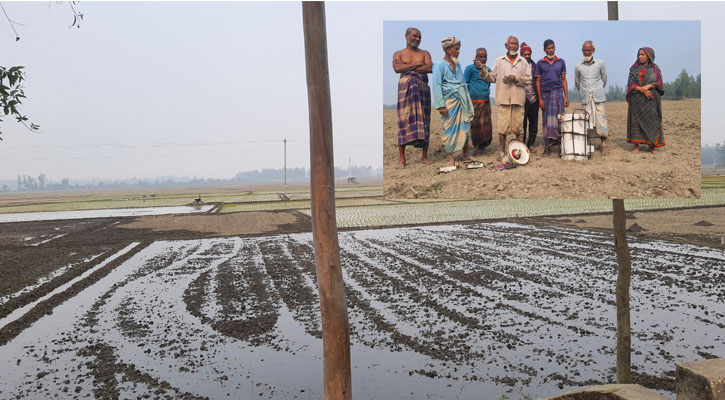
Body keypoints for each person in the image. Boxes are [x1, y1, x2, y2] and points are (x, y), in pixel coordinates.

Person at [476, 35, 531, 159]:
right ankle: (502, 151)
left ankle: (519, 152)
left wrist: (516, 78)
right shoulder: (499, 61)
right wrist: (482, 70)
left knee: (519, 128)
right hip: (503, 99)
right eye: (511, 43)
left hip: (518, 99)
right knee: (502, 128)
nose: (513, 46)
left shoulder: (523, 61)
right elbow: (491, 77)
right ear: (506, 46)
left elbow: (528, 79)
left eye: (516, 44)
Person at [392, 27, 434, 168]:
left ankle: (424, 156)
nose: (417, 39)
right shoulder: (398, 53)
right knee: (403, 120)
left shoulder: (425, 53)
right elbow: (397, 69)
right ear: (406, 36)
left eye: (419, 37)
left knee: (425, 120)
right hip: (406, 88)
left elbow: (430, 68)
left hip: (422, 88)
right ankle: (402, 159)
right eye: (415, 36)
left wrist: (407, 67)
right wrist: (417, 64)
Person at [432, 36, 474, 166]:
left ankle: (465, 154)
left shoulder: (457, 64)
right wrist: (441, 106)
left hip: (461, 100)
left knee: (465, 126)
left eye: (459, 49)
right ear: (448, 49)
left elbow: (461, 81)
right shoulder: (439, 65)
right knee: (449, 128)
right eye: (456, 49)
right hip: (449, 101)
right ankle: (450, 156)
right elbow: (436, 85)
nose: (458, 52)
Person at [626, 47, 665, 154]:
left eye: (643, 55)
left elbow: (659, 83)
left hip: (651, 100)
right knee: (635, 122)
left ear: (649, 56)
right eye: (639, 54)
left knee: (653, 121)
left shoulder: (655, 69)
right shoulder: (634, 68)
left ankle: (651, 147)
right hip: (637, 99)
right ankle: (636, 147)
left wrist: (648, 86)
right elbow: (631, 83)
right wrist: (643, 90)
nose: (640, 56)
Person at [575, 40, 609, 155]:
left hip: (598, 97)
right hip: (586, 98)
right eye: (585, 50)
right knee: (586, 121)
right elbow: (577, 82)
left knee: (601, 121)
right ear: (582, 51)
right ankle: (586, 144)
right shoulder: (578, 66)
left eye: (589, 50)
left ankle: (604, 144)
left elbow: (604, 79)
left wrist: (597, 89)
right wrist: (585, 91)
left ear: (593, 51)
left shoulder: (600, 63)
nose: (587, 52)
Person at [536, 39, 569, 156]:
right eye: (548, 48)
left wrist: (566, 97)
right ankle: (548, 147)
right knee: (546, 120)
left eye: (552, 48)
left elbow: (564, 80)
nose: (550, 50)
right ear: (544, 50)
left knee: (559, 119)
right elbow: (538, 81)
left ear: (555, 48)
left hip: (558, 93)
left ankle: (561, 147)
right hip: (546, 95)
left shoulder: (561, 62)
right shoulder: (540, 63)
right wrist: (540, 99)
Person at [464, 48, 493, 154]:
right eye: (481, 56)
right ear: (476, 57)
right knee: (475, 125)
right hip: (474, 101)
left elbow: (489, 82)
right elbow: (464, 83)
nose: (483, 59)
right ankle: (475, 146)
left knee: (485, 125)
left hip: (485, 101)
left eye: (485, 56)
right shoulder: (470, 69)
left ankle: (483, 146)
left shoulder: (488, 70)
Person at [520, 42, 538, 153]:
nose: (527, 56)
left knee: (533, 122)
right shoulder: (518, 66)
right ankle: (522, 143)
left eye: (528, 54)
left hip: (534, 98)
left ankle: (531, 143)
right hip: (522, 98)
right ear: (521, 55)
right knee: (522, 123)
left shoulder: (535, 66)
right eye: (525, 54)